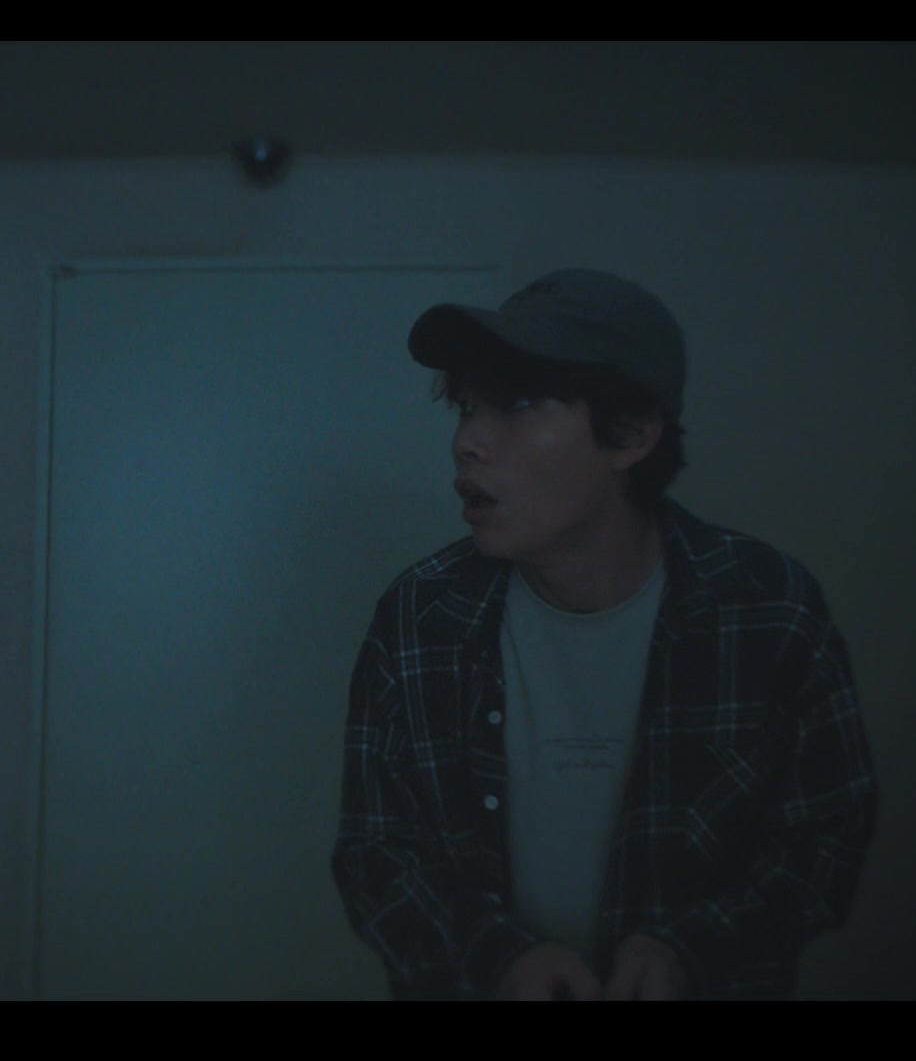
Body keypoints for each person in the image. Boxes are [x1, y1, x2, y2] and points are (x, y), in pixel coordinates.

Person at [331, 269, 878, 1001]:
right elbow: (377, 855)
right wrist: (497, 956)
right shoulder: (420, 616)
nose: (466, 442)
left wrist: (688, 950)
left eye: (515, 404)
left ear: (630, 434)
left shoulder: (766, 608)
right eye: (465, 408)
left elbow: (822, 838)